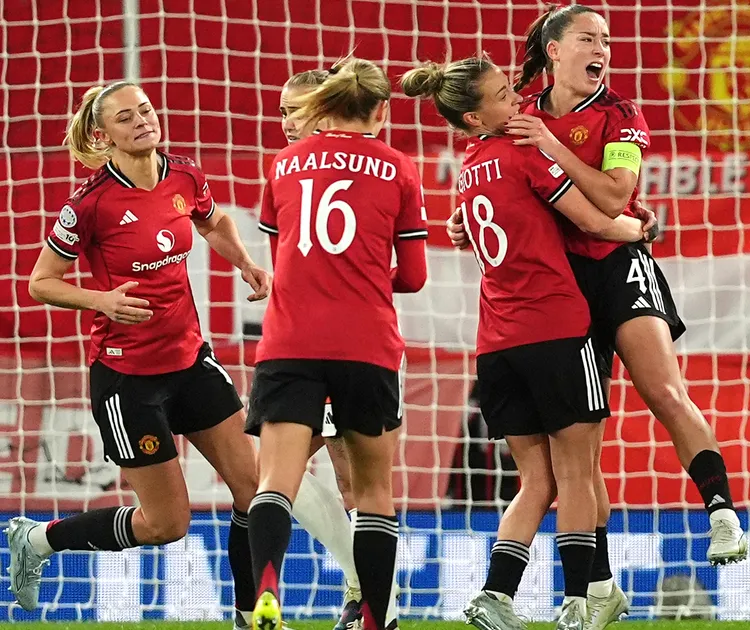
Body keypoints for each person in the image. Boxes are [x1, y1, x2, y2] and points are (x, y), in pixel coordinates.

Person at [447, 5, 747, 626]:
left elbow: (613, 197)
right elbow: (504, 190)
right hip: (560, 284)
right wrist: (468, 220)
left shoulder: (619, 113)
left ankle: (721, 511)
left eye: (605, 40)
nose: (601, 49)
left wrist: (556, 147)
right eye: (588, 38)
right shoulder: (517, 115)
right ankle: (599, 586)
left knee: (661, 388)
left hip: (616, 261)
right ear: (554, 51)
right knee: (578, 452)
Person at [6, 81, 270, 630]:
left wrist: (244, 261)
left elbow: (214, 221)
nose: (143, 121)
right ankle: (39, 538)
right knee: (166, 524)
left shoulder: (184, 174)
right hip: (128, 380)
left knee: (255, 490)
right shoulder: (90, 204)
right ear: (104, 136)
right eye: (127, 118)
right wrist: (100, 299)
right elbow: (41, 282)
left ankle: (253, 618)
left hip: (193, 362)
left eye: (146, 110)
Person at [404, 55, 648, 630]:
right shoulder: (524, 154)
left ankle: (496, 595)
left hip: (496, 345)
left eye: (513, 89)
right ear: (472, 117)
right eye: (503, 96)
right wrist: (642, 227)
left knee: (536, 480)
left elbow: (487, 227)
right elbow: (595, 220)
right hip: (558, 330)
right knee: (578, 475)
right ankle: (579, 603)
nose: (518, 101)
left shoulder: (468, 169)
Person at [244, 56, 427, 630]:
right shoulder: (399, 168)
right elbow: (414, 277)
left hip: (290, 339)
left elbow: (285, 259)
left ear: (323, 106)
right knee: (372, 492)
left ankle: (266, 596)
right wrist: (368, 273)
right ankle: (376, 616)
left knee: (274, 482)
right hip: (365, 343)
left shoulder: (285, 164)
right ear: (380, 109)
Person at [274, 68, 404, 630]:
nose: (286, 123)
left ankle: (370, 601)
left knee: (350, 478)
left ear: (326, 112)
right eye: (282, 111)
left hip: (345, 341)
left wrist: (356, 282)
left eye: (296, 112)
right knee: (285, 473)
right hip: (316, 343)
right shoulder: (291, 173)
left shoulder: (370, 168)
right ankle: (369, 595)